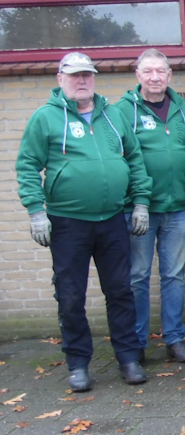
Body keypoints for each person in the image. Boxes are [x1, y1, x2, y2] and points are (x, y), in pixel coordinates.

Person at [16, 52, 150, 391]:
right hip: (67, 223)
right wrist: (36, 211)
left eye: (87, 75)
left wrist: (141, 204)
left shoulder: (113, 115)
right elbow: (27, 165)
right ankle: (78, 363)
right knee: (71, 295)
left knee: (120, 291)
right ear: (60, 79)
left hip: (112, 221)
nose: (81, 81)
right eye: (75, 76)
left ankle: (129, 358)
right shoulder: (45, 118)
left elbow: (134, 158)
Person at [113, 49, 185, 363]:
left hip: (175, 207)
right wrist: (137, 202)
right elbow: (121, 160)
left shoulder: (180, 109)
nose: (155, 77)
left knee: (174, 275)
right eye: (148, 71)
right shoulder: (122, 110)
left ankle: (175, 339)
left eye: (160, 71)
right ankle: (137, 343)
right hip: (139, 210)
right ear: (138, 74)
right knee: (138, 276)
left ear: (169, 75)